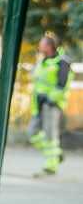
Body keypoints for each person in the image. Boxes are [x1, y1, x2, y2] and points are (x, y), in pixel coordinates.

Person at [29, 33, 69, 177]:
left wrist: (51, 99)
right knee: (32, 133)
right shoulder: (43, 61)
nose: (39, 46)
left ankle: (51, 166)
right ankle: (57, 155)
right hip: (38, 104)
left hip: (52, 104)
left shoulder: (62, 62)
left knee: (50, 136)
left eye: (42, 43)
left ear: (50, 46)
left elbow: (63, 84)